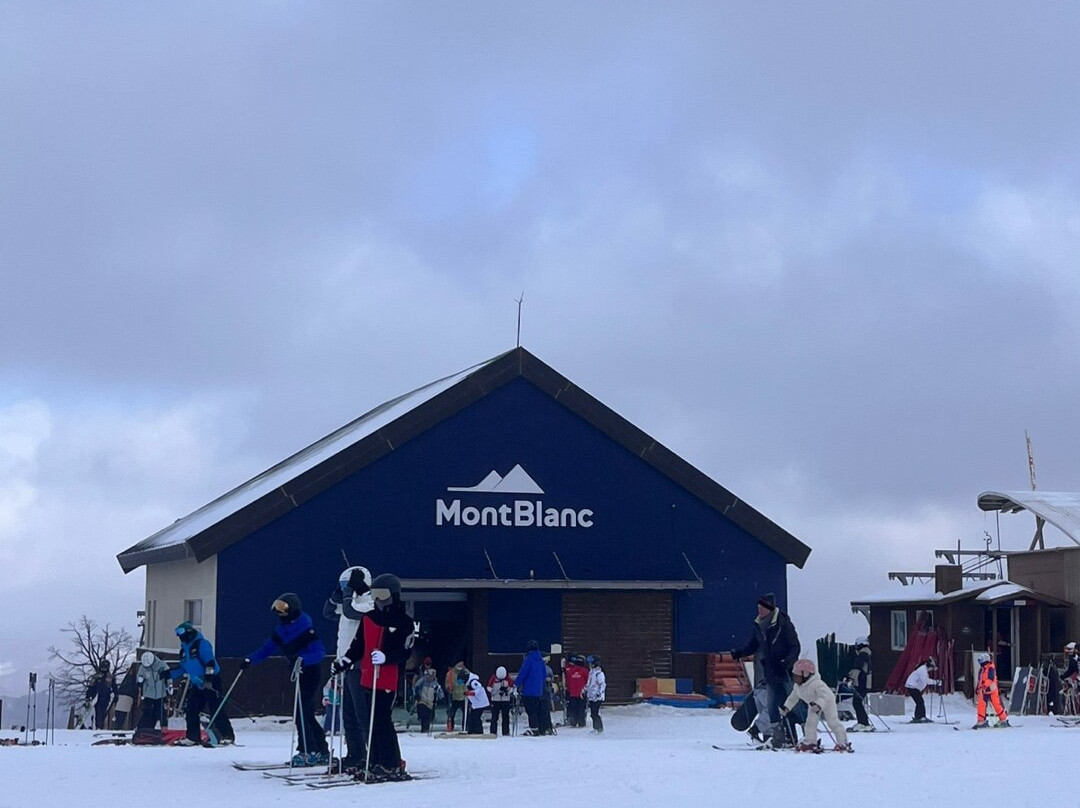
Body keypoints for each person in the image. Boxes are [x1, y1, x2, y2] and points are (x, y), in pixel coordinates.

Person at [334, 572, 416, 781]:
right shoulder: (370, 617)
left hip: (387, 678)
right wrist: (345, 661)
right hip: (367, 676)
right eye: (376, 593)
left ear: (393, 594)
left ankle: (391, 763)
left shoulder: (404, 622)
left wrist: (386, 656)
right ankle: (375, 760)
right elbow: (358, 646)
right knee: (370, 721)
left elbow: (405, 651)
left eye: (383, 593)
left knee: (381, 720)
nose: (379, 598)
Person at [240, 593, 329, 765]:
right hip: (297, 673)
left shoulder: (305, 628)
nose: (280, 614)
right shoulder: (281, 630)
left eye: (283, 609)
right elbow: (267, 648)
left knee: (301, 713)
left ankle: (307, 750)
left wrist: (303, 660)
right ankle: (321, 749)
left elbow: (319, 652)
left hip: (310, 672)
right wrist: (250, 659)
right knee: (306, 714)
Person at [731, 592, 801, 748]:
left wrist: (787, 662)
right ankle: (777, 736)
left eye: (763, 608)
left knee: (787, 704)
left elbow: (795, 646)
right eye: (758, 608)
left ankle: (791, 737)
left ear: (771, 608)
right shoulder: (759, 626)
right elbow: (753, 645)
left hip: (785, 671)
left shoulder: (783, 624)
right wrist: (740, 653)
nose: (760, 611)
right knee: (771, 705)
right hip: (770, 672)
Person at [323, 565, 374, 768]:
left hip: (360, 664)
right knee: (348, 715)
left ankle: (369, 754)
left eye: (349, 586)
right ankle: (354, 753)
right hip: (344, 665)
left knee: (361, 713)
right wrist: (336, 596)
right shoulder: (349, 601)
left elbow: (351, 612)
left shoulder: (370, 603)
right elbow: (328, 612)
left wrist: (346, 597)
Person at [169, 621, 235, 746]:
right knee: (192, 709)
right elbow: (183, 668)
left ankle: (227, 735)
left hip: (211, 680)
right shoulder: (184, 650)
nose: (179, 636)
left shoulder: (202, 644)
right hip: (198, 683)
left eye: (181, 633)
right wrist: (167, 674)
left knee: (215, 708)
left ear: (189, 632)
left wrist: (208, 679)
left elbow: (210, 662)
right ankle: (193, 737)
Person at [780, 658, 852, 752]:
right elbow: (793, 697)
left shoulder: (816, 683)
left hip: (827, 702)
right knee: (810, 723)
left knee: (832, 722)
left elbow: (824, 696)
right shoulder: (798, 687)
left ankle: (843, 742)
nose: (795, 679)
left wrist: (819, 705)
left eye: (797, 676)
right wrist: (786, 707)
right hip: (813, 705)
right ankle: (810, 742)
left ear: (805, 674)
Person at [515, 640, 547, 736]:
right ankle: (541, 728)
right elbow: (544, 675)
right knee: (538, 710)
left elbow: (523, 673)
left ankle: (534, 729)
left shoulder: (528, 660)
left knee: (531, 710)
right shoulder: (541, 660)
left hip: (529, 690)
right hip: (539, 691)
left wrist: (516, 684)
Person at [973, 652, 1010, 729]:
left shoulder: (991, 668)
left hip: (992, 690)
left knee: (997, 705)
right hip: (984, 691)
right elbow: (980, 680)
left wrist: (984, 686)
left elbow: (990, 679)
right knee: (981, 705)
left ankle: (1003, 719)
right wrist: (978, 688)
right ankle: (981, 720)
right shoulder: (982, 669)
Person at [135, 651, 170, 730]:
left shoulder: (162, 665)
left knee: (161, 711)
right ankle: (144, 728)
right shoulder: (142, 667)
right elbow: (139, 676)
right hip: (148, 694)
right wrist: (139, 680)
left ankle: (164, 727)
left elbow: (168, 677)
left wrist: (169, 686)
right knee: (147, 711)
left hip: (160, 693)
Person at [846, 637, 874, 732]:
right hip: (865, 683)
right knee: (858, 702)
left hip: (862, 682)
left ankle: (864, 723)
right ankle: (862, 722)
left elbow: (857, 669)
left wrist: (851, 679)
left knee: (857, 702)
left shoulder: (862, 655)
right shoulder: (867, 654)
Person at [904, 657, 939, 724]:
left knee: (920, 702)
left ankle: (920, 717)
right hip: (912, 687)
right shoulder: (923, 670)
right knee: (920, 702)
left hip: (913, 687)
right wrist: (936, 682)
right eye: (932, 668)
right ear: (930, 666)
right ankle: (920, 717)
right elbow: (925, 680)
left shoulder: (923, 669)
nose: (931, 670)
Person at [85, 661, 116, 730]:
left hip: (106, 697)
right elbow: (90, 687)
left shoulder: (110, 677)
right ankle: (97, 726)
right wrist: (88, 697)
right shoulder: (96, 676)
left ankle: (101, 727)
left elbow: (114, 687)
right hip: (96, 697)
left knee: (104, 712)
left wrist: (116, 695)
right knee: (98, 712)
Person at [413, 667, 444, 734]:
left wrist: (440, 697)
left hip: (430, 703)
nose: (431, 678)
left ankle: (426, 729)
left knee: (428, 717)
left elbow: (440, 692)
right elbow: (416, 686)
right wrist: (416, 695)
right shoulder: (422, 681)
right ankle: (423, 729)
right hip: (422, 700)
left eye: (432, 676)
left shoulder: (435, 683)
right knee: (423, 714)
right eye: (429, 676)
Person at [487, 665, 514, 736]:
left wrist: (507, 690)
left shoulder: (508, 679)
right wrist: (495, 691)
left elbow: (512, 688)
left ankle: (506, 731)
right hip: (495, 699)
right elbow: (488, 687)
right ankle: (493, 731)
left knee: (506, 716)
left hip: (505, 700)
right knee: (494, 717)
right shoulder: (493, 678)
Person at [563, 654, 589, 728]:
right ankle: (581, 722)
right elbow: (587, 681)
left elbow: (567, 681)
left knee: (573, 708)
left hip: (572, 693)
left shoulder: (570, 671)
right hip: (582, 694)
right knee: (581, 708)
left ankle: (573, 722)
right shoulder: (585, 671)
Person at [464, 668, 490, 734]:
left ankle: (479, 731)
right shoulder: (469, 683)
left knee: (476, 717)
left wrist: (471, 693)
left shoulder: (473, 682)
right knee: (472, 716)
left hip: (480, 703)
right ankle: (471, 730)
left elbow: (479, 688)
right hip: (476, 703)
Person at [585, 654, 606, 734]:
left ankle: (599, 728)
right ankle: (596, 728)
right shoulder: (591, 673)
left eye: (591, 663)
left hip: (597, 697)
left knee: (595, 713)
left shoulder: (599, 674)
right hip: (591, 696)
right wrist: (584, 690)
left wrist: (599, 693)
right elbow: (589, 683)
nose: (590, 665)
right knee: (593, 713)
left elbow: (602, 684)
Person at [445, 662, 467, 732]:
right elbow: (447, 683)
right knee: (451, 713)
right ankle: (450, 726)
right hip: (454, 696)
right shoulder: (450, 674)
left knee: (466, 713)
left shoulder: (466, 672)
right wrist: (448, 688)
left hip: (464, 696)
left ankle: (466, 726)